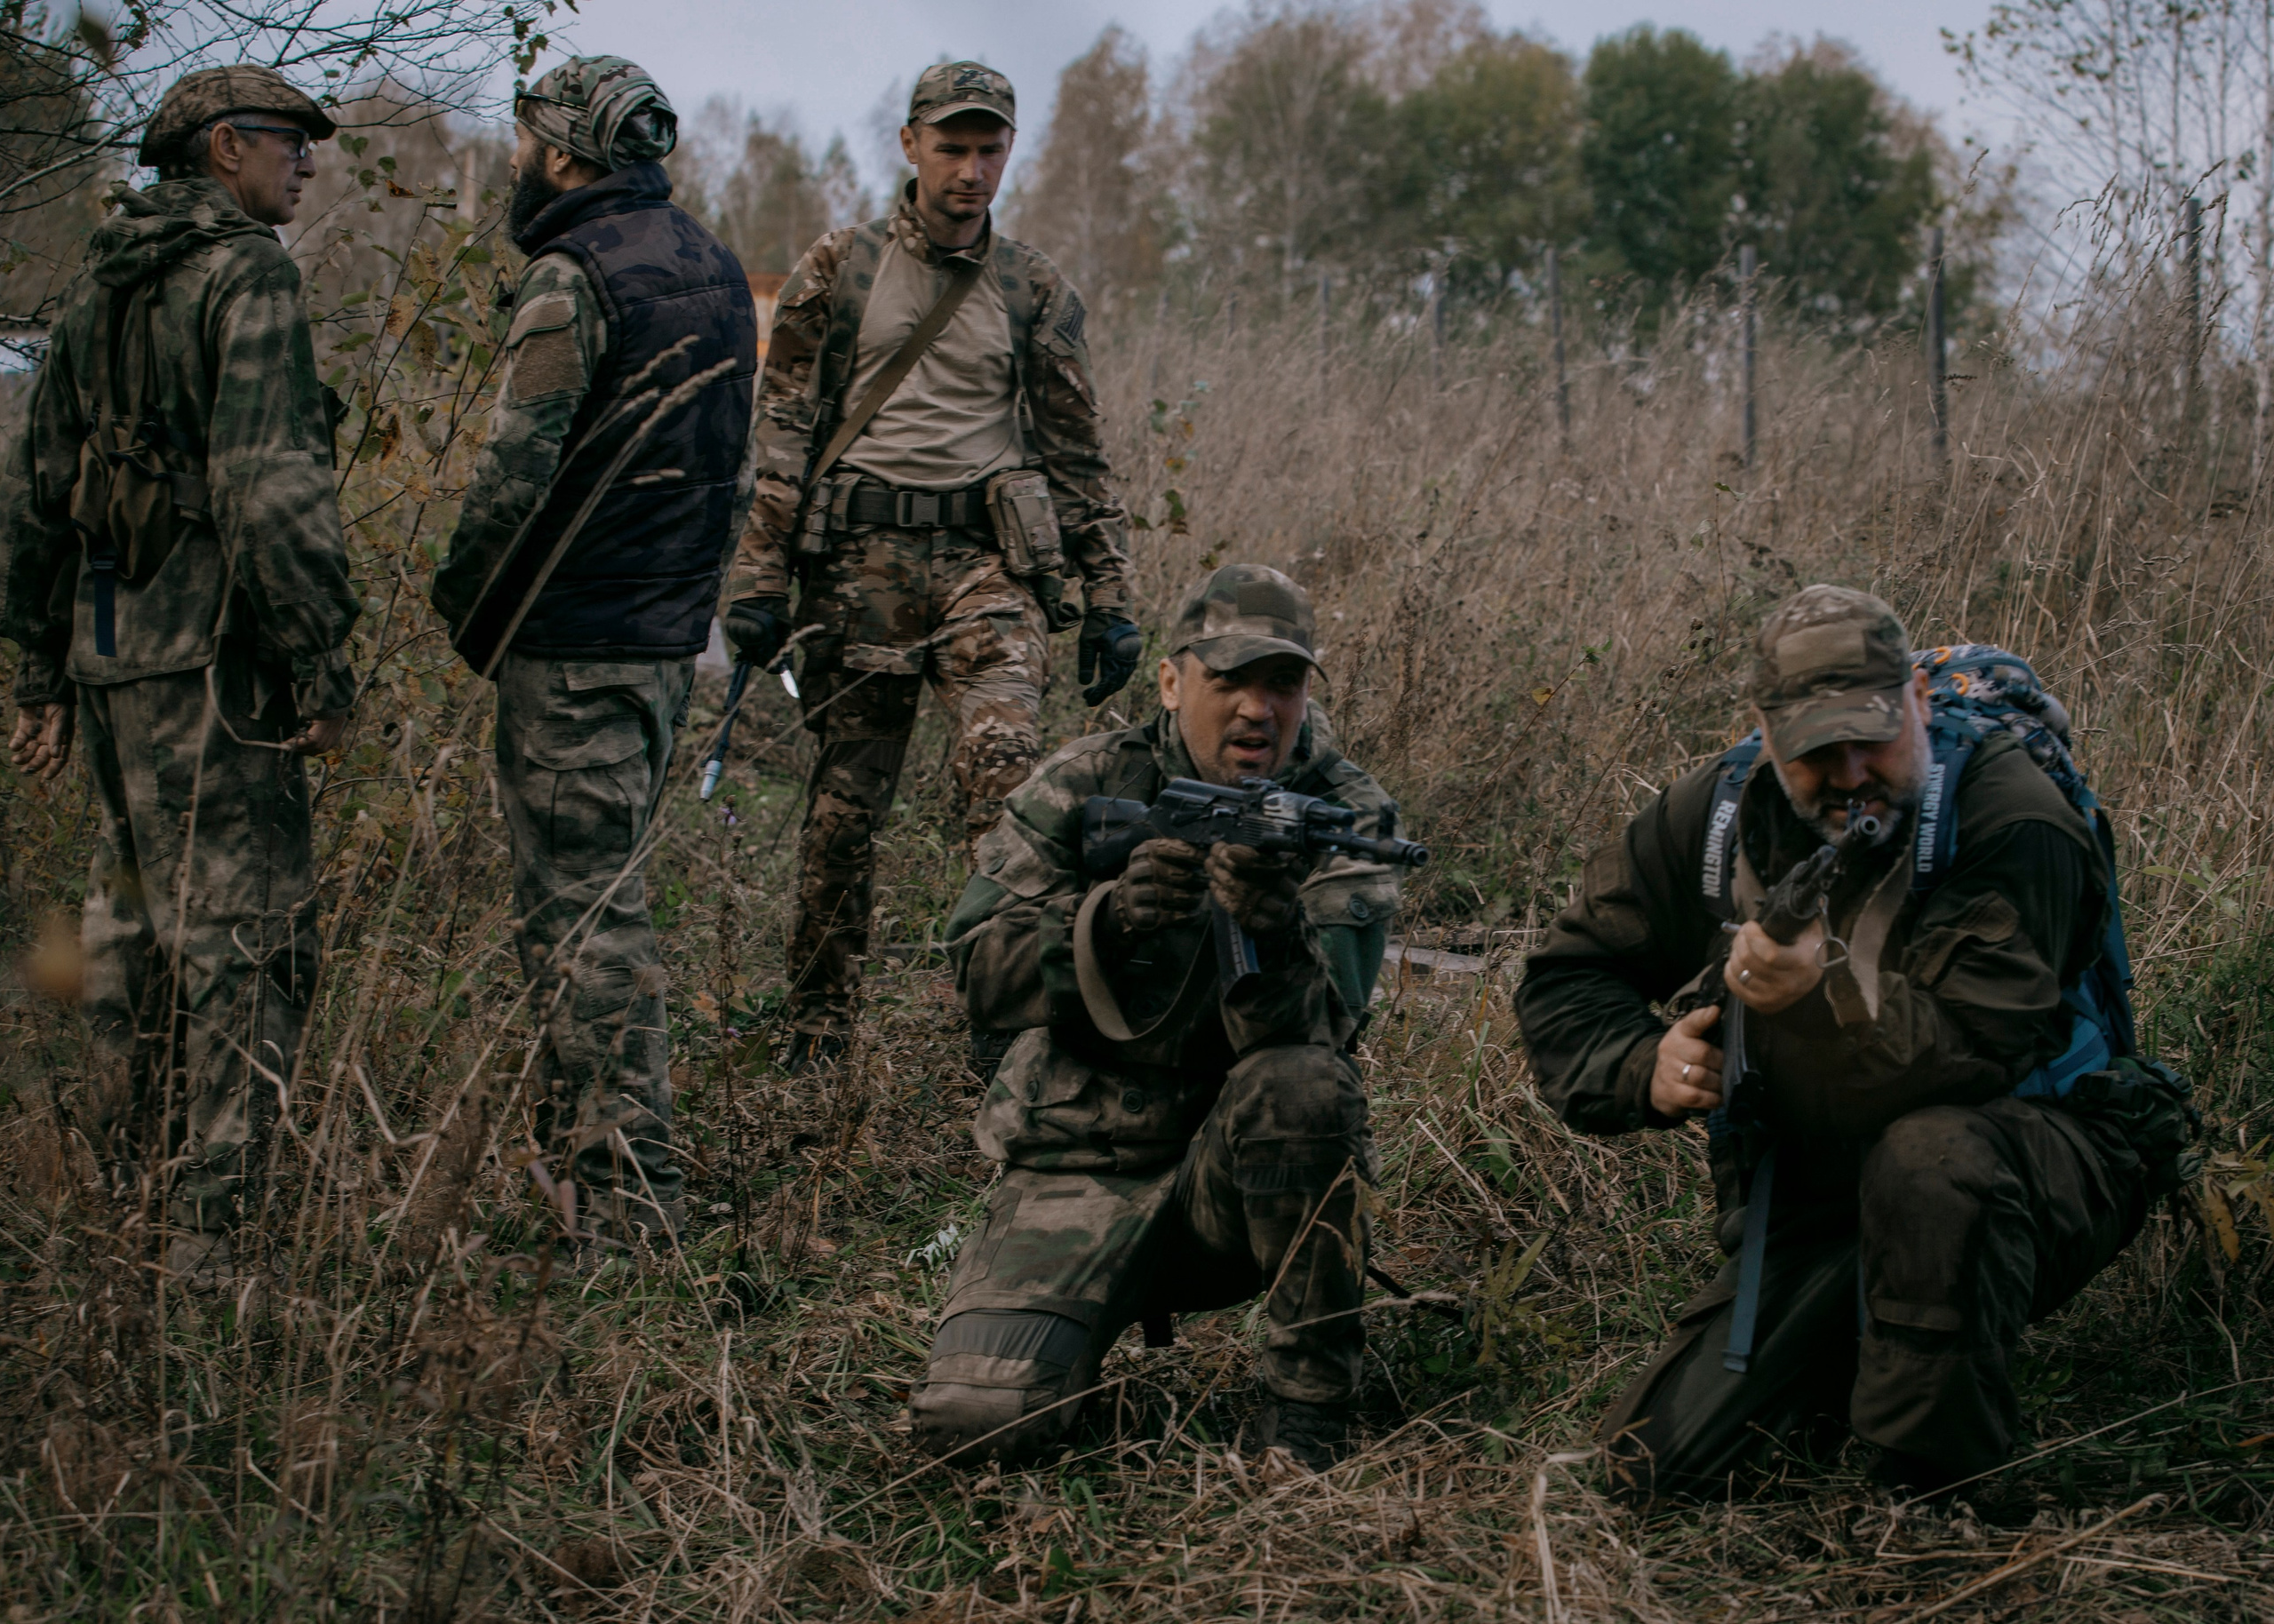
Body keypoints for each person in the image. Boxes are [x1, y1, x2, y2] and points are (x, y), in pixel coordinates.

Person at [1515, 585, 2194, 1502]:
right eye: (1815, 751)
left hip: (2043, 1146)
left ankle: (1939, 1486)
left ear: (1917, 700)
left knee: (1930, 1159)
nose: (1847, 773)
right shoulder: (1718, 817)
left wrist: (1818, 994)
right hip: (1827, 1191)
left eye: (1870, 736)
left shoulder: (2010, 816)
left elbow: (1976, 1051)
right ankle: (1873, 1348)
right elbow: (1568, 975)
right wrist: (1648, 1065)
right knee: (1650, 1472)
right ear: (1763, 729)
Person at [908, 564, 1407, 1471]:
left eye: (1283, 684)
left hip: (1236, 1182)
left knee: (1302, 1083)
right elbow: (977, 969)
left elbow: (1331, 1032)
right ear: (1172, 682)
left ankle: (1307, 1410)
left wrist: (1276, 929)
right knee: (977, 1426)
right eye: (1230, 680)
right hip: (1076, 1162)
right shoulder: (1083, 782)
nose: (1258, 709)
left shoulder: (1341, 813)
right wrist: (1108, 920)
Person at [0, 66, 360, 1286]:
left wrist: (42, 669)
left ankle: (118, 1195)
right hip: (216, 665)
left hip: (110, 660)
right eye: (285, 144)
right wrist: (321, 665)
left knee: (131, 929)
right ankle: (218, 1239)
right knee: (246, 941)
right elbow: (274, 491)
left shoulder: (103, 278)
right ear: (221, 151)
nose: (303, 163)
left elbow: (36, 486)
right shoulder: (246, 273)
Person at [717, 60, 1143, 1075]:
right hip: (855, 567)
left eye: (989, 149)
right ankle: (818, 1033)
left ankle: (1008, 1034)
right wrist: (757, 581)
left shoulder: (1033, 288)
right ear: (910, 146)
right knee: (843, 810)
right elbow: (780, 430)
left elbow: (1077, 448)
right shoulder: (841, 267)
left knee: (1008, 792)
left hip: (984, 569)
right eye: (951, 147)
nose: (971, 169)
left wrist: (1109, 597)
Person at [429, 56, 757, 1249]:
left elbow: (517, 472)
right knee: (591, 905)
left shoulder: (572, 278)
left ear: (564, 153)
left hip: (574, 647)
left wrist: (462, 609)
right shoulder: (715, 265)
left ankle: (631, 1204)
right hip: (663, 645)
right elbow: (741, 470)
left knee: (586, 922)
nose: (519, 159)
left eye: (528, 140)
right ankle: (579, 1174)